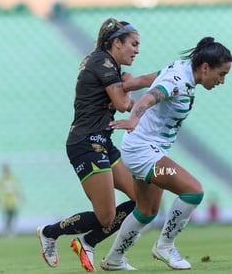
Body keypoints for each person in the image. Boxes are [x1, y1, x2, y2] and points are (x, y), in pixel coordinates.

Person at [100, 36, 232, 270]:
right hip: (143, 150)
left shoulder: (180, 69)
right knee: (193, 191)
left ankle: (113, 259)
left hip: (145, 148)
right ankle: (165, 246)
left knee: (147, 210)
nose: (222, 81)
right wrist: (133, 118)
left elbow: (152, 79)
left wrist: (128, 85)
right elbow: (153, 96)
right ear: (205, 67)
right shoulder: (179, 81)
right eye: (221, 74)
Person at [37, 17, 157, 272]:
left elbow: (121, 102)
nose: (137, 50)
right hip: (85, 143)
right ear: (116, 43)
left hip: (103, 141)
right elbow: (124, 105)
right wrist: (136, 81)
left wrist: (125, 84)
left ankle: (87, 242)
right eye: (133, 44)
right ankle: (50, 232)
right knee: (106, 216)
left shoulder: (108, 66)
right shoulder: (101, 62)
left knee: (141, 201)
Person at [0, 163, 22, 236]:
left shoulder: (11, 178)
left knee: (11, 217)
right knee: (8, 217)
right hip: (6, 201)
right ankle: (8, 231)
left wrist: (19, 197)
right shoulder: (3, 179)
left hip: (11, 201)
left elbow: (16, 189)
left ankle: (9, 230)